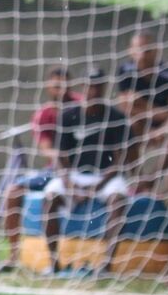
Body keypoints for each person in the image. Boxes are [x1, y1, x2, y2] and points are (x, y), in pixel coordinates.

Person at [41, 68, 132, 275]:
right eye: (90, 86)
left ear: (104, 89)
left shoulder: (116, 117)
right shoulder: (69, 115)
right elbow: (60, 157)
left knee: (118, 199)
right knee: (50, 197)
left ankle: (106, 265)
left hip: (105, 177)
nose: (93, 91)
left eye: (98, 87)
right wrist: (69, 184)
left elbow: (121, 159)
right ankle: (54, 263)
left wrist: (96, 187)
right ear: (84, 87)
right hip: (73, 175)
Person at [0, 66, 82, 272]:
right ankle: (13, 256)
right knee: (13, 192)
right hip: (56, 170)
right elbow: (47, 150)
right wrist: (62, 159)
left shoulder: (83, 106)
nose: (59, 89)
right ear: (48, 86)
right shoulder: (44, 114)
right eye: (55, 85)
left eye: (63, 84)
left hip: (86, 169)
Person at [114, 31, 168, 188]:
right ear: (130, 51)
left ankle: (153, 178)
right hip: (141, 124)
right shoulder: (125, 71)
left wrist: (144, 107)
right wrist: (157, 115)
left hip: (166, 126)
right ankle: (138, 179)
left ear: (156, 50)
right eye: (138, 50)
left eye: (147, 50)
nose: (142, 55)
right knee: (129, 124)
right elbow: (125, 107)